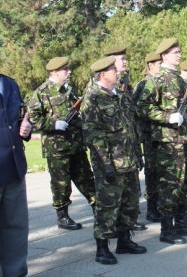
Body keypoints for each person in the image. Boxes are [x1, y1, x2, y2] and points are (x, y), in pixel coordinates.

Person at [81, 57, 147, 265]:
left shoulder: (120, 96)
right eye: (112, 70)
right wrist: (106, 164)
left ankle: (125, 240)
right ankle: (102, 248)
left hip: (129, 160)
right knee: (108, 206)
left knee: (130, 202)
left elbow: (131, 128)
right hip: (110, 164)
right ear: (102, 74)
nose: (117, 72)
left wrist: (138, 154)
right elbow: (93, 135)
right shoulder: (93, 98)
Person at [146, 38, 187, 244]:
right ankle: (167, 229)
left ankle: (182, 221)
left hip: (185, 139)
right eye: (175, 53)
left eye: (180, 52)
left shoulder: (180, 80)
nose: (179, 55)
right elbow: (142, 106)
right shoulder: (156, 79)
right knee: (170, 185)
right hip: (168, 142)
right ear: (163, 56)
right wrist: (166, 117)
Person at [27, 57, 96, 230]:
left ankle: (98, 208)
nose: (69, 72)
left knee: (86, 178)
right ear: (55, 72)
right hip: (57, 148)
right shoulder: (41, 92)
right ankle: (62, 216)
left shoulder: (69, 90)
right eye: (65, 69)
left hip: (76, 144)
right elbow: (33, 118)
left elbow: (77, 112)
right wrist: (53, 124)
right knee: (61, 183)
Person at [104, 46, 147, 231]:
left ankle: (129, 223)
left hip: (130, 144)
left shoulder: (124, 83)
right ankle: (112, 228)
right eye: (121, 59)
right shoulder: (99, 88)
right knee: (114, 193)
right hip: (114, 150)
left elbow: (131, 114)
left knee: (132, 189)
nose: (125, 62)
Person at [0, 73, 32, 277]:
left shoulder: (10, 84)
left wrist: (27, 128)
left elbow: (20, 118)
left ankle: (16, 273)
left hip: (14, 167)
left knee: (16, 228)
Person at [134, 52, 163, 222]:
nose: (161, 66)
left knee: (161, 172)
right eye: (158, 63)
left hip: (161, 134)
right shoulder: (143, 84)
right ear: (150, 65)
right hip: (150, 135)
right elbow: (138, 110)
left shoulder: (161, 81)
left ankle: (160, 204)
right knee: (152, 172)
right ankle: (152, 208)